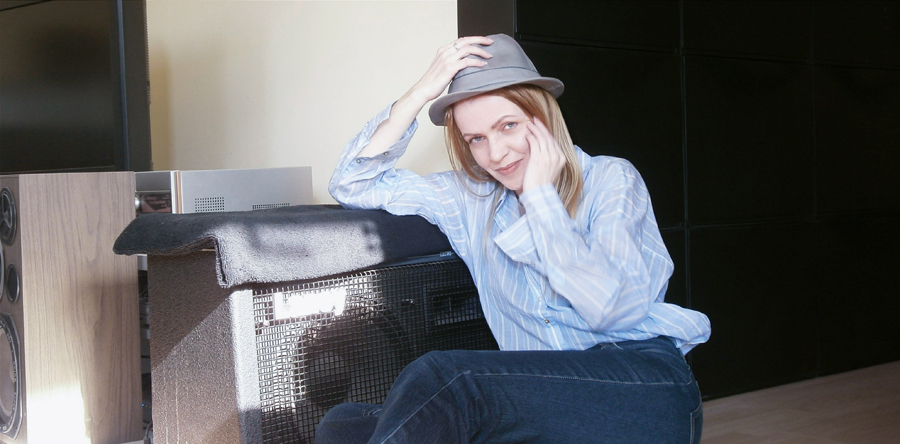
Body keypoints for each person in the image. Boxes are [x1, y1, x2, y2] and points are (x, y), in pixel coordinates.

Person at [319, 33, 711, 444]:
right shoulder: (469, 197)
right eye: (477, 139)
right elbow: (352, 183)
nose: (497, 154)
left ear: (542, 117)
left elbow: (612, 310)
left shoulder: (612, 179)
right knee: (343, 424)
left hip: (642, 388)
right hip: (538, 401)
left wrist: (540, 200)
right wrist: (421, 92)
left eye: (508, 126)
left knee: (448, 378)